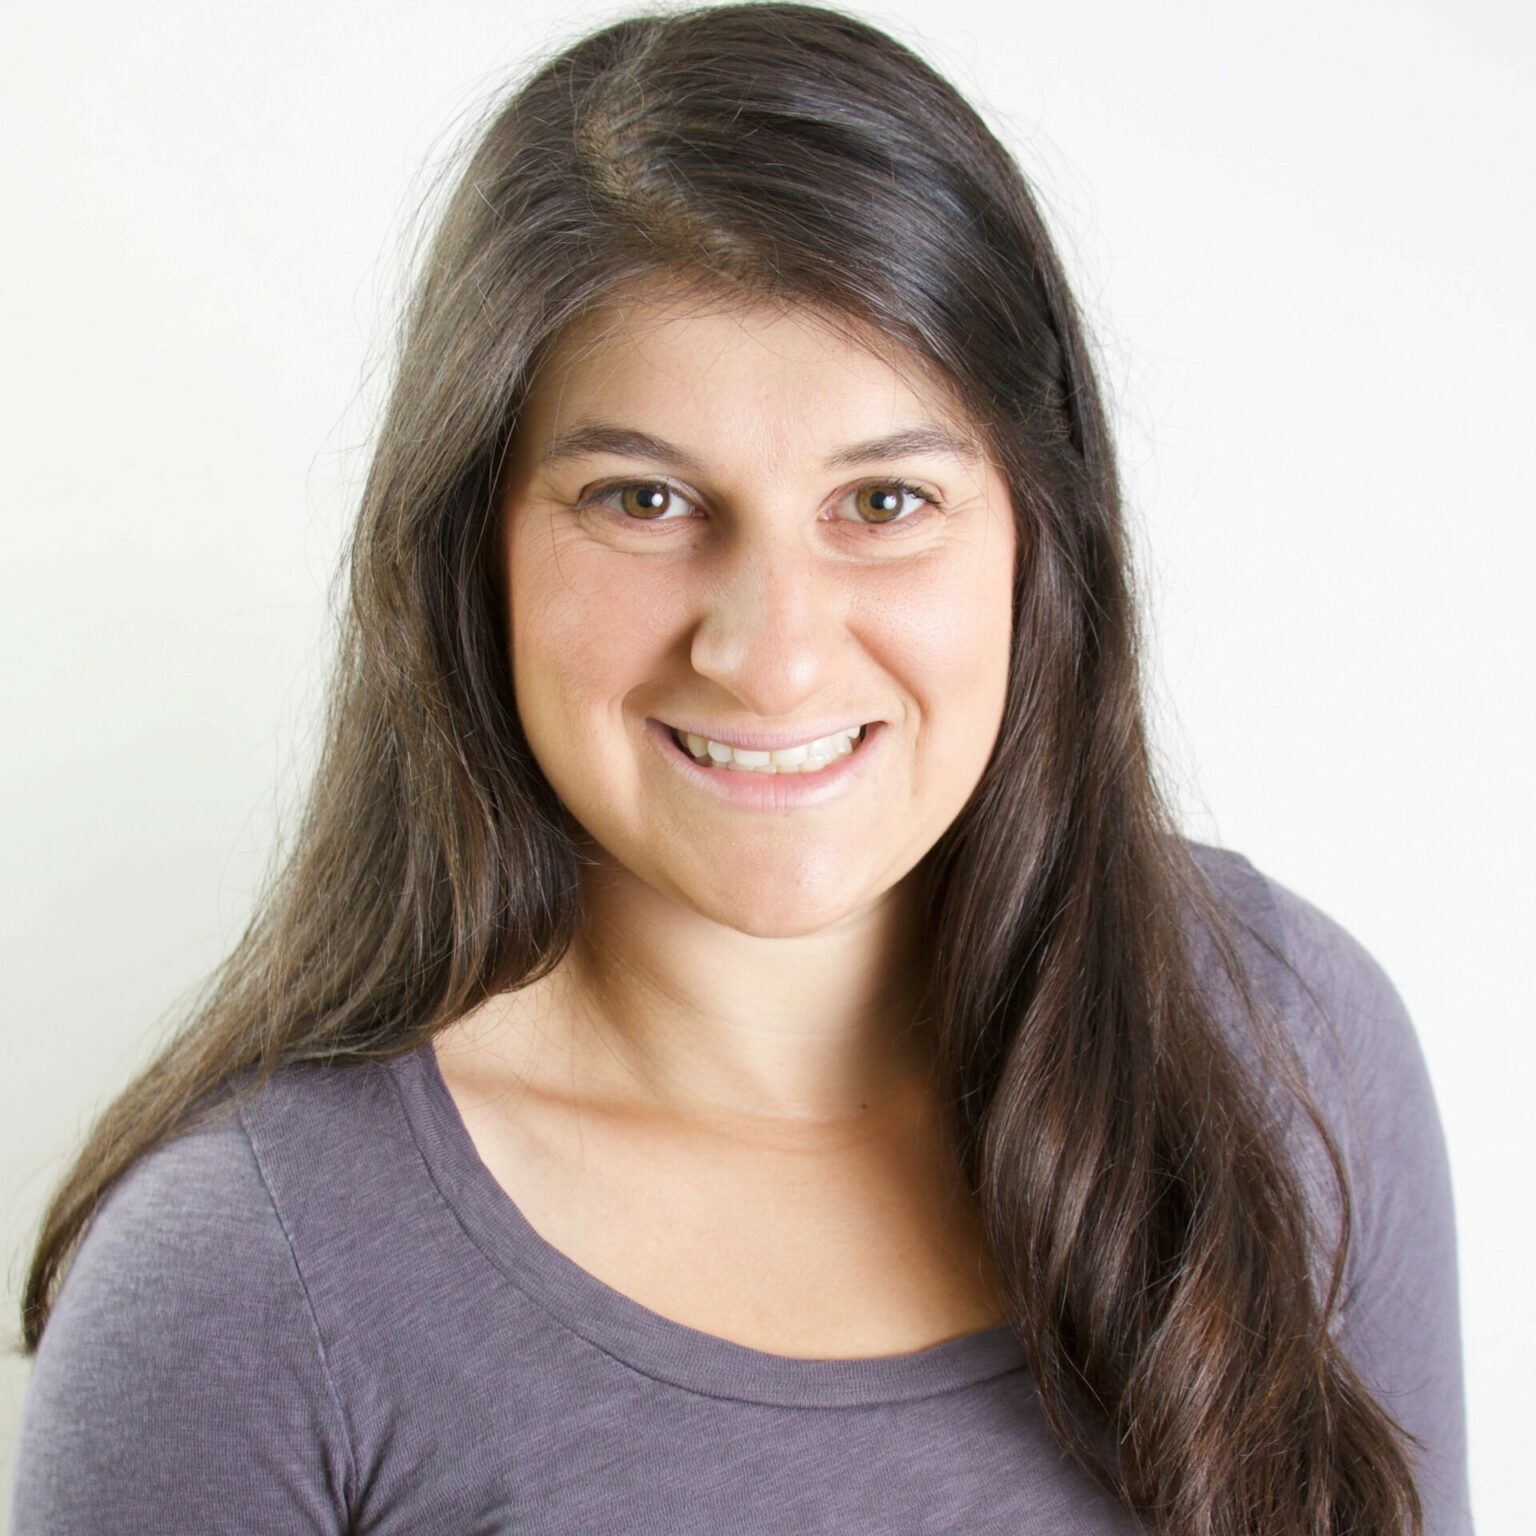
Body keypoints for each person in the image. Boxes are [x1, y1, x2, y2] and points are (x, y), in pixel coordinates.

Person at [8, 4, 1469, 1533]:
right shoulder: (246, 1286)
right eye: (641, 498)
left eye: (886, 501)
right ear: (475, 550)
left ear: (1042, 542)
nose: (771, 656)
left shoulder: (1296, 1049)